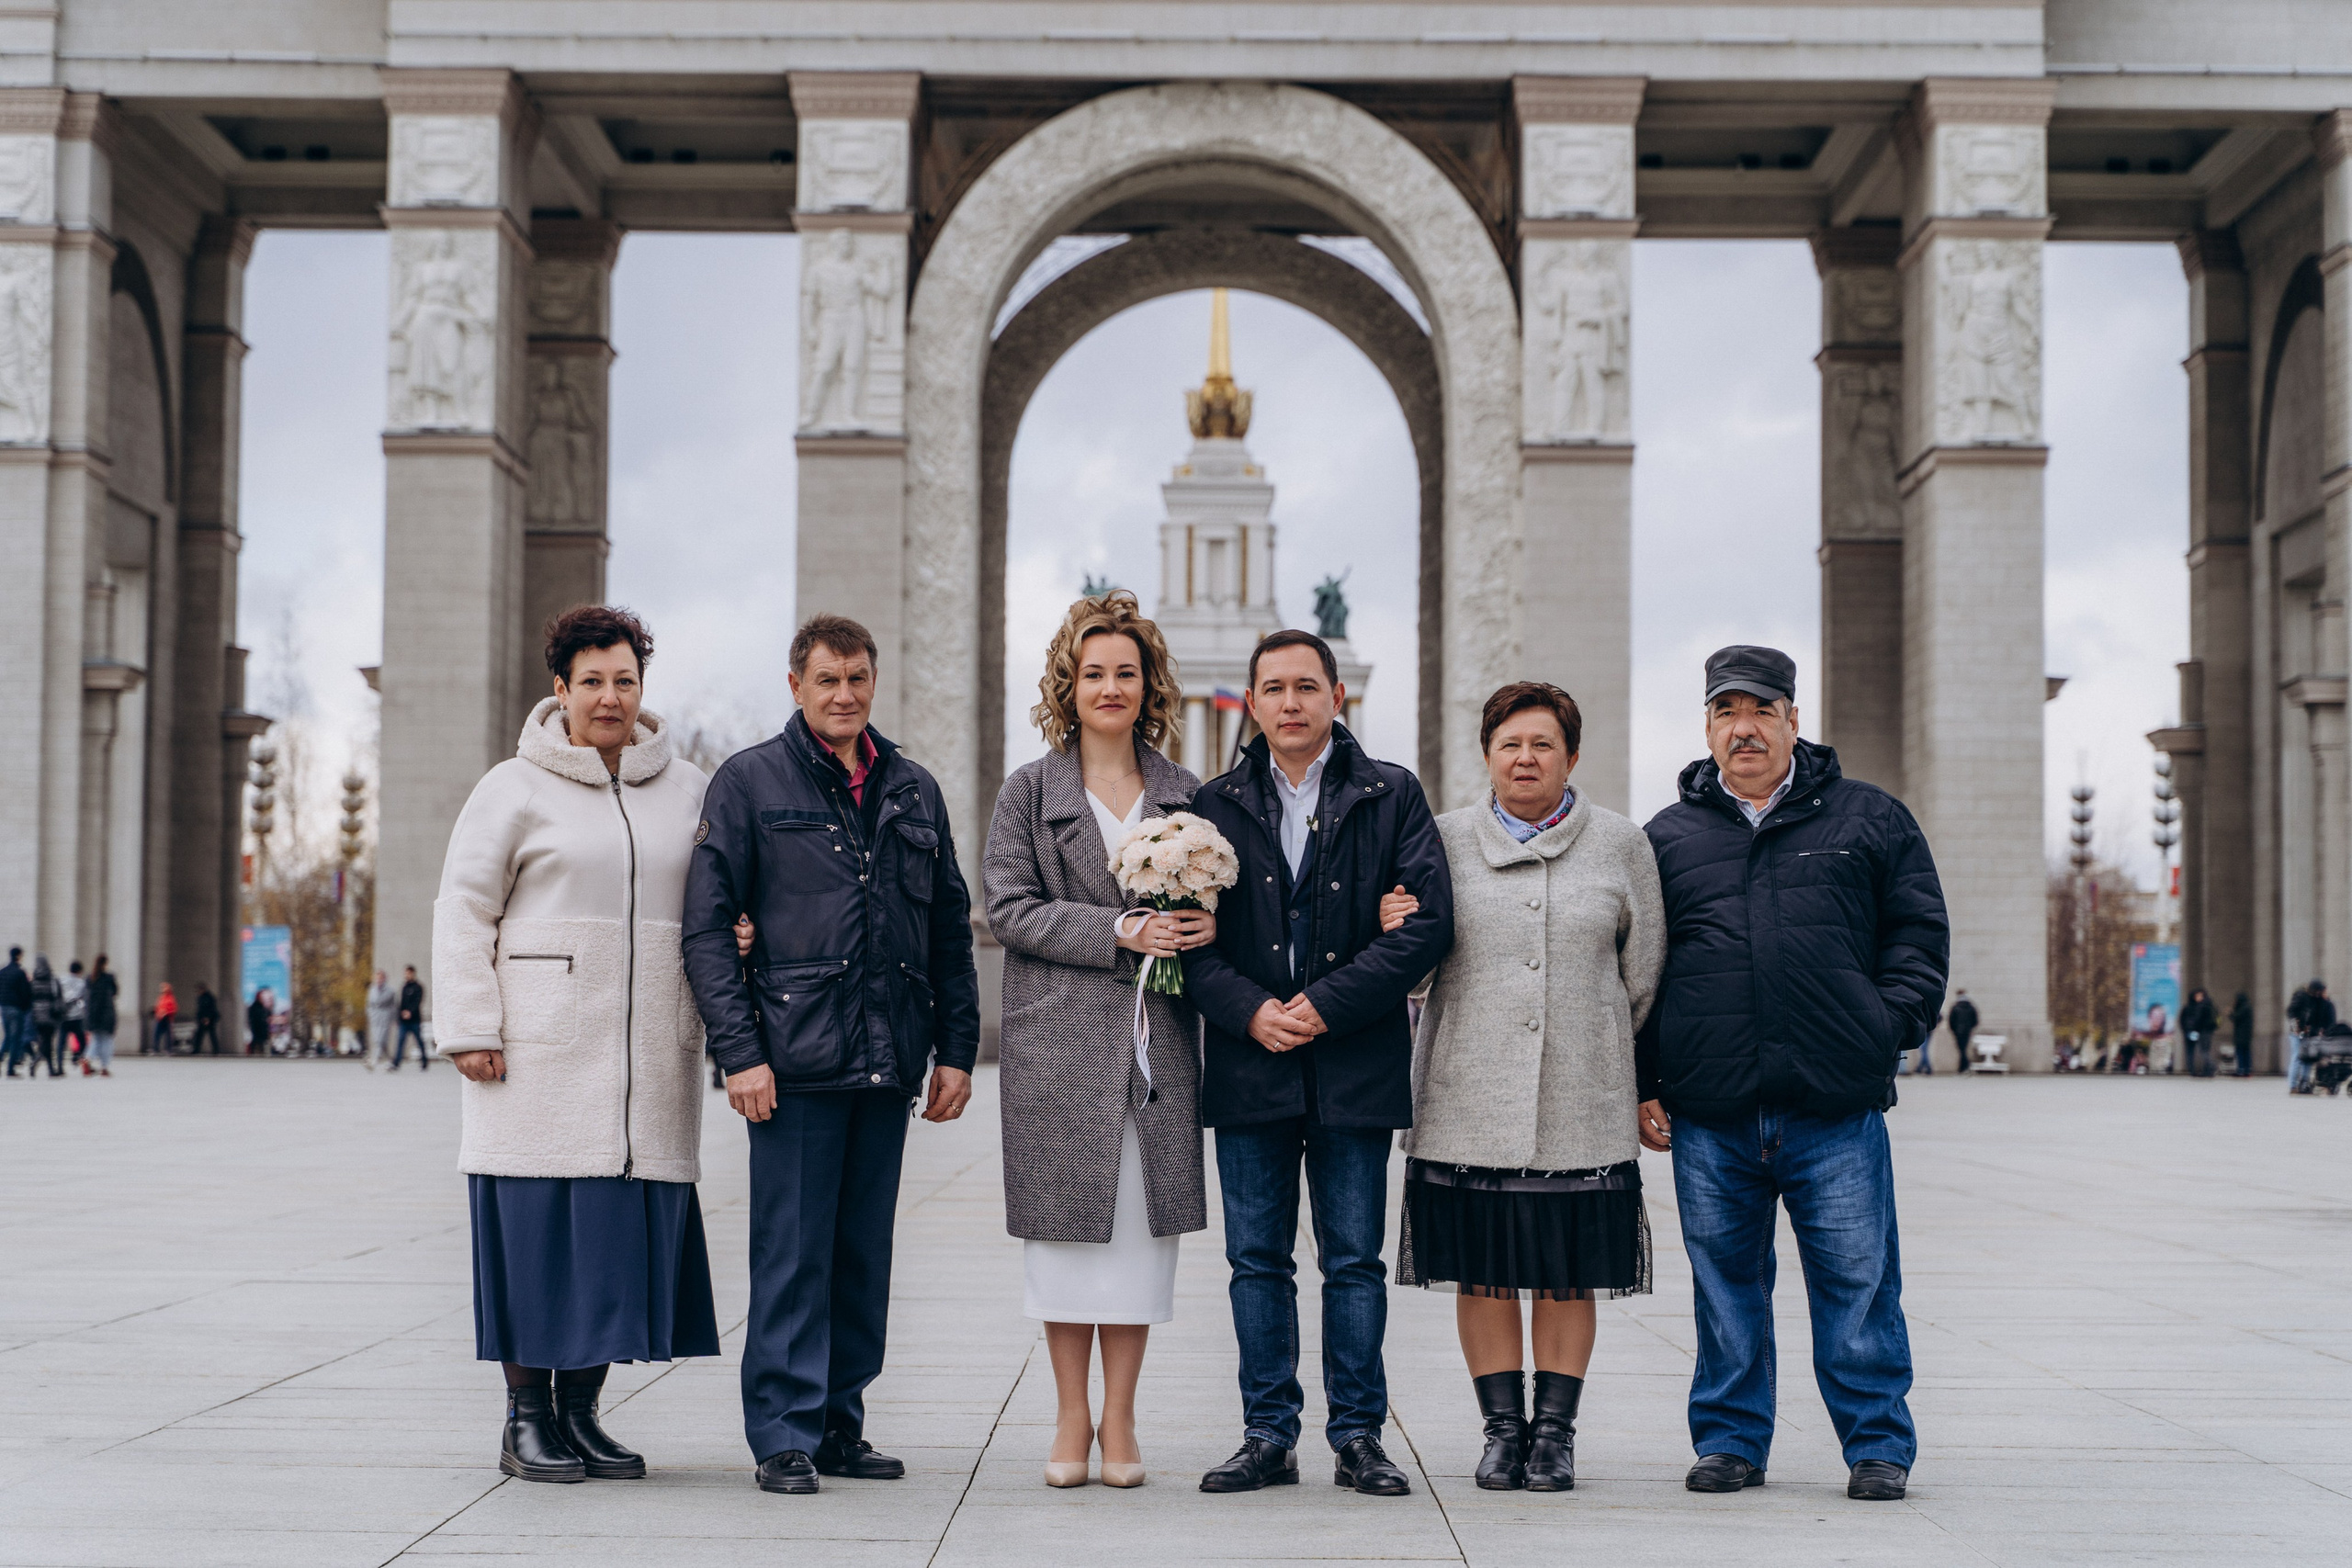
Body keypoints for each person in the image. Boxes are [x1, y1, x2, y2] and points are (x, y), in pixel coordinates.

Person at [1638, 645, 1949, 1504]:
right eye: (1728, 713)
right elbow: (1637, 968)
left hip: (1834, 1106)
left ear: (1793, 720)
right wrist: (1644, 1076)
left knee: (1858, 1283)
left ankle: (1877, 1444)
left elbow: (1918, 936)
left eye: (1762, 711)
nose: (1745, 728)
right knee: (1725, 1287)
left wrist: (1884, 1030)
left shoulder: (1870, 818)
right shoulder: (1666, 838)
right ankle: (1731, 1440)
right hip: (1712, 1109)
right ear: (1706, 727)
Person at [684, 612, 981, 1497]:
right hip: (792, 1062)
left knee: (860, 1253)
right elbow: (707, 928)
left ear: (873, 682)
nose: (844, 694)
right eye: (827, 680)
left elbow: (948, 929)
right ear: (795, 686)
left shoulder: (914, 789)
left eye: (857, 678)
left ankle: (840, 1421)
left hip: (887, 1059)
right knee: (793, 1252)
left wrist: (956, 1049)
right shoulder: (748, 783)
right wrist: (740, 1053)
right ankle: (782, 1430)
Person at [433, 604, 720, 1484]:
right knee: (536, 1233)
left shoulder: (690, 788)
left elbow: (718, 901)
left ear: (643, 687)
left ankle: (582, 1413)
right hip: (538, 1053)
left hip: (646, 1056)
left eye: (624, 680)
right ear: (560, 689)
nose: (609, 696)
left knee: (607, 1243)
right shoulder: (511, 787)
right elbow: (463, 908)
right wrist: (471, 1024)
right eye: (591, 680)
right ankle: (526, 1416)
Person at [1182, 628, 1454, 1498]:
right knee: (1257, 1261)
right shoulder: (1211, 805)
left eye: (1307, 685)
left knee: (1354, 1262)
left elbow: (1427, 927)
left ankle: (1359, 1435)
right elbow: (1188, 940)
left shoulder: (1392, 794)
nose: (1291, 702)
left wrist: (1327, 1005)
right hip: (1249, 1062)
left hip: (1355, 1067)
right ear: (1252, 702)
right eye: (1274, 687)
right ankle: (1267, 1432)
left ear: (1337, 696)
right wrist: (1251, 1009)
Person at [1392, 682, 1664, 1493]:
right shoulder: (1439, 841)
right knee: (1482, 1269)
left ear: (1572, 756)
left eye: (1543, 744)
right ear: (1487, 755)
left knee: (1566, 1268)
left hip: (1583, 1094)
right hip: (1467, 1092)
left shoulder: (1621, 845)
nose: (1525, 758)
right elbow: (1418, 969)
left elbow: (1643, 972)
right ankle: (1502, 1429)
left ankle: (1555, 1433)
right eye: (1509, 743)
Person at [982, 592, 1216, 1489]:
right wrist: (1117, 929)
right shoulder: (1027, 792)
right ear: (1067, 686)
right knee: (1066, 1241)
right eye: (1093, 673)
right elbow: (1008, 907)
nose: (1109, 687)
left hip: (1155, 1048)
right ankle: (1069, 1413)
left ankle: (1120, 1417)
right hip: (1059, 1049)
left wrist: (1197, 933)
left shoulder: (1183, 795)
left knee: (1133, 1243)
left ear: (1147, 682)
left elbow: (1216, 914)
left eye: (1125, 671)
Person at [83, 954, 118, 1077]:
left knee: (96, 1040)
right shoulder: (109, 978)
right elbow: (115, 992)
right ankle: (104, 1067)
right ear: (105, 964)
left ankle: (87, 1059)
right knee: (107, 1041)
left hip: (93, 1014)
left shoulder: (89, 978)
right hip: (107, 1014)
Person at [28, 955, 62, 1077]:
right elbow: (59, 998)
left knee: (45, 1041)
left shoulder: (33, 981)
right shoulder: (53, 980)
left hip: (37, 1016)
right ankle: (36, 1061)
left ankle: (51, 1069)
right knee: (47, 1042)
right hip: (50, 1016)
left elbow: (29, 999)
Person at [0, 945, 28, 1076]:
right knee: (15, 1039)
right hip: (16, 1009)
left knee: (7, 1038)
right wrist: (25, 1007)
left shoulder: (3, 971)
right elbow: (25, 993)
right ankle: (10, 1069)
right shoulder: (19, 972)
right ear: (18, 956)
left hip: (4, 1008)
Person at [2180, 988, 2217, 1078]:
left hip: (2200, 1031)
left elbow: (2197, 1020)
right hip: (2198, 1031)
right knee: (2200, 1050)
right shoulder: (2207, 1005)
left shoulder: (2202, 1006)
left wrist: (2192, 1028)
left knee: (2201, 1050)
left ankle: (2209, 1067)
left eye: (2200, 996)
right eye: (2197, 996)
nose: (2198, 997)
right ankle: (2204, 1070)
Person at [395, 966, 427, 1069]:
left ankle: (424, 1061)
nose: (407, 975)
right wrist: (400, 1015)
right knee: (400, 1041)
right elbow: (401, 1003)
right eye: (406, 973)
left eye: (408, 973)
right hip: (404, 1021)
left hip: (414, 1021)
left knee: (419, 1041)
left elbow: (417, 1002)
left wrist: (410, 1012)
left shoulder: (418, 987)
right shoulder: (404, 987)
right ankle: (396, 1062)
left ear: (413, 973)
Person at [366, 970, 398, 1071]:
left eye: (380, 978)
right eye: (377, 978)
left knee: (379, 1040)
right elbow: (369, 1004)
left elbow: (393, 1006)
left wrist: (393, 1018)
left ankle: (374, 1062)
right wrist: (370, 1014)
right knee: (381, 1042)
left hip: (385, 1018)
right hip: (375, 1018)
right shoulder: (372, 989)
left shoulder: (390, 991)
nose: (379, 980)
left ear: (384, 978)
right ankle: (389, 1061)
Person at [60, 960, 88, 1067]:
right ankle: (81, 1060)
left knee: (61, 1043)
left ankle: (59, 1065)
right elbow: (83, 999)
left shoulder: (61, 980)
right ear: (79, 971)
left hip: (63, 1015)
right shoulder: (81, 983)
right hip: (76, 1016)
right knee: (82, 1041)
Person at [1947, 989, 1978, 1075]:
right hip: (1967, 1031)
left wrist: (1954, 1030)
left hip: (1958, 1032)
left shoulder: (1955, 1007)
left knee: (1962, 1050)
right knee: (1963, 1049)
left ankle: (1964, 1067)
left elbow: (1951, 1021)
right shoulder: (1971, 1007)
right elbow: (1975, 1020)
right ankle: (1964, 1067)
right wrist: (1970, 1028)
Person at [192, 984, 222, 1055]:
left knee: (210, 1035)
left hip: (209, 1019)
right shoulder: (201, 998)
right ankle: (197, 1049)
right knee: (201, 1035)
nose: (198, 992)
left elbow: (210, 1009)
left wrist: (207, 1018)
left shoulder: (208, 998)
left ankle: (215, 1050)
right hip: (203, 1019)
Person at [2230, 990, 2255, 1077]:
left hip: (2241, 1035)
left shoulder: (2244, 1008)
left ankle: (2241, 1069)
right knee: (2245, 1052)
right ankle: (2246, 1070)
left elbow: (2236, 1017)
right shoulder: (2247, 1007)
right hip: (2245, 1034)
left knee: (2240, 1052)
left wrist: (2231, 1013)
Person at [246, 988, 273, 1057]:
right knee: (259, 1044)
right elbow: (259, 1019)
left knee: (259, 1044)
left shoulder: (259, 1007)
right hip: (259, 1030)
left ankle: (257, 1053)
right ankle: (258, 1054)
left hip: (259, 1031)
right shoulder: (257, 1008)